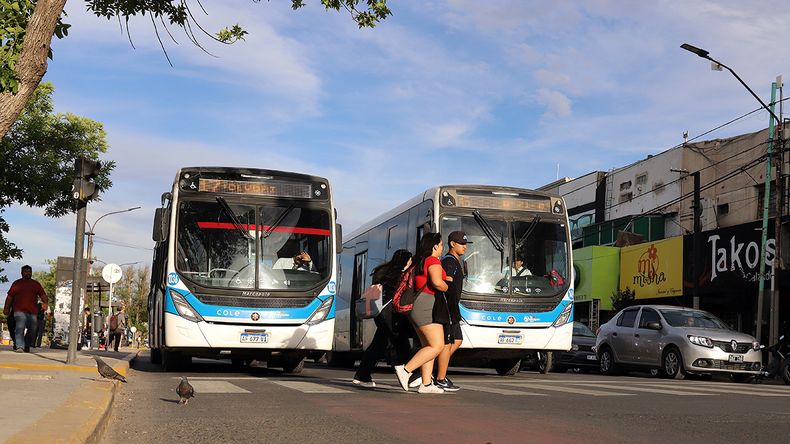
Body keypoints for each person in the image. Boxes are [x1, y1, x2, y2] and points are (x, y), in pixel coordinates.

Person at [394, 232, 451, 394]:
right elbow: (437, 283)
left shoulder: (420, 261)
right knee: (437, 345)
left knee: (428, 345)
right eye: (441, 245)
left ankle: (426, 384)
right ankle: (406, 371)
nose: (442, 248)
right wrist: (448, 286)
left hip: (418, 305)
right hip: (426, 304)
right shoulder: (432, 260)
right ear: (434, 246)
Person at [352, 249, 415, 388]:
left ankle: (362, 375)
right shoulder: (398, 274)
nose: (411, 262)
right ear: (404, 260)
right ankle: (411, 373)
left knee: (379, 344)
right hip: (391, 315)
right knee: (400, 342)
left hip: (380, 313)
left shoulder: (383, 271)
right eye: (409, 260)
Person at [434, 231, 469, 392]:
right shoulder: (449, 261)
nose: (465, 247)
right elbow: (445, 281)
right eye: (461, 243)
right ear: (452, 244)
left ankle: (436, 370)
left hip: (453, 307)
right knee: (448, 343)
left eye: (465, 244)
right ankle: (439, 377)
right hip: (447, 307)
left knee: (457, 341)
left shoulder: (455, 261)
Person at [3, 265, 47, 353]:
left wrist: (45, 303)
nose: (28, 273)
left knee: (33, 328)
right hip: (19, 311)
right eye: (26, 271)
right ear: (21, 273)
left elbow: (43, 295)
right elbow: (9, 297)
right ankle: (20, 346)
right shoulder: (17, 283)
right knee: (20, 327)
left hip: (32, 311)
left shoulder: (35, 284)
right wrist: (6, 308)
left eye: (29, 271)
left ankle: (26, 345)